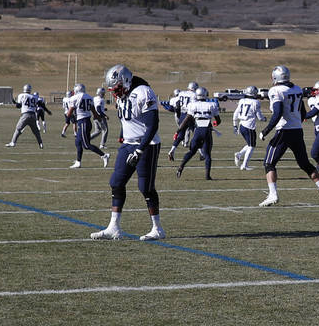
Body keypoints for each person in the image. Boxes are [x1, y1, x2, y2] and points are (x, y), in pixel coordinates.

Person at [91, 64, 166, 241]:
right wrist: (122, 136)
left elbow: (152, 125)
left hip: (147, 144)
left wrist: (140, 149)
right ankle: (114, 227)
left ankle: (157, 229)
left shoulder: (143, 92)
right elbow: (127, 119)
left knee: (145, 188)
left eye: (117, 88)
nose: (115, 92)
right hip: (128, 144)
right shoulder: (123, 96)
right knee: (116, 182)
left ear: (125, 81)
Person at [257, 65, 319, 206]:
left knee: (269, 163)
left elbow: (278, 113)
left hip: (284, 131)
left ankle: (273, 195)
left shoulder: (275, 90)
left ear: (275, 77)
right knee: (304, 164)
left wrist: (266, 130)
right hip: (297, 130)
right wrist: (296, 120)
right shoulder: (297, 89)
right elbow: (303, 112)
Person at [170, 86, 220, 180]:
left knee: (192, 152)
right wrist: (215, 123)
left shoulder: (192, 105)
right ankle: (207, 176)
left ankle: (181, 167)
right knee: (207, 155)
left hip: (197, 131)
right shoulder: (212, 105)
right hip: (206, 131)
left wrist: (178, 131)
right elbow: (218, 120)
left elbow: (186, 120)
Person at [65, 82, 108, 169]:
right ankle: (78, 162)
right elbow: (94, 111)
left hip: (83, 122)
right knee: (78, 142)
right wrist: (100, 120)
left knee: (86, 145)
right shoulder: (89, 97)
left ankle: (104, 155)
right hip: (87, 122)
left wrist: (67, 121)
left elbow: (70, 111)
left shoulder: (74, 98)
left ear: (77, 89)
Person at [232, 85, 266, 170]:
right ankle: (244, 165)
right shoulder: (256, 102)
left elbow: (235, 113)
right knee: (252, 146)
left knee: (250, 144)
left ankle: (239, 154)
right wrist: (264, 119)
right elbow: (259, 117)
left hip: (241, 125)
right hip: (249, 126)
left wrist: (235, 125)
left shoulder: (242, 100)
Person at [6, 84, 44, 148]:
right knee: (36, 131)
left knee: (18, 129)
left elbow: (19, 106)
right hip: (33, 115)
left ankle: (13, 142)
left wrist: (14, 102)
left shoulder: (21, 95)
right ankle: (40, 143)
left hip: (25, 115)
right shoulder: (34, 97)